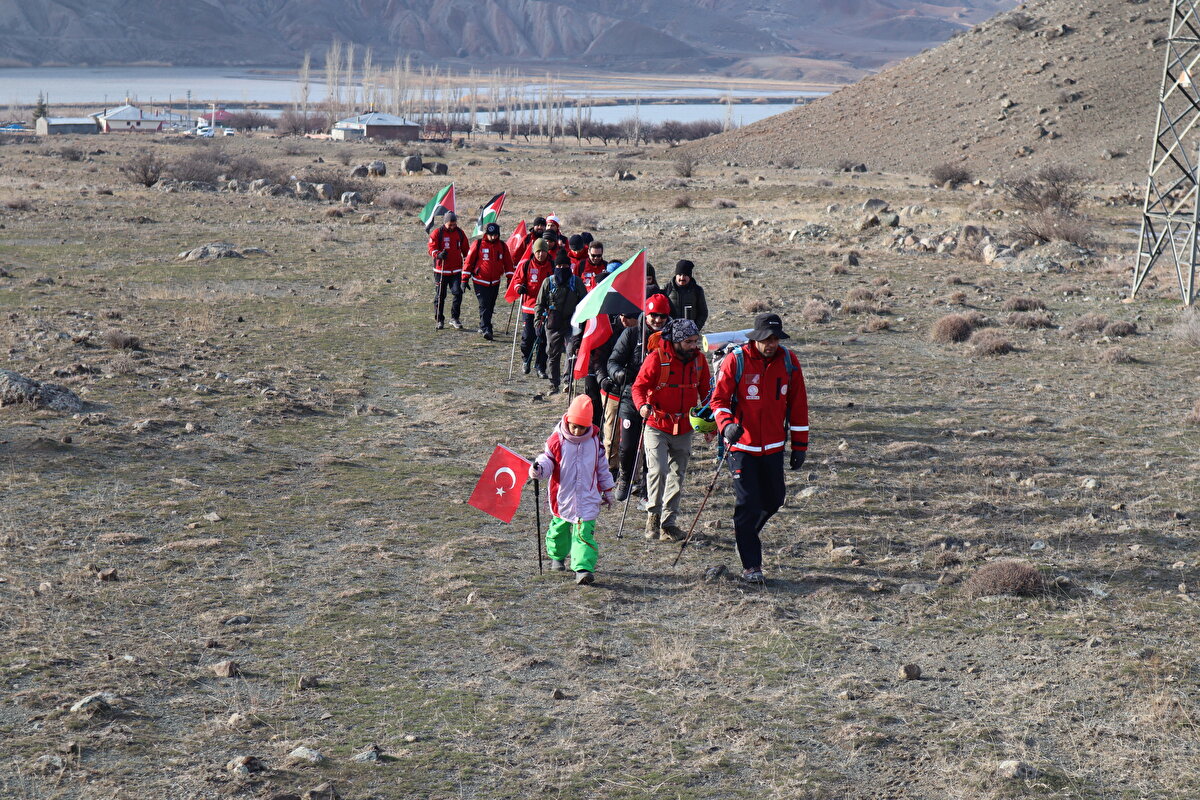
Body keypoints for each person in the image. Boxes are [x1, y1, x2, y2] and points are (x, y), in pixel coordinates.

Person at [710, 313, 809, 584]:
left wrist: (800, 446)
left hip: (775, 447)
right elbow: (718, 401)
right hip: (742, 447)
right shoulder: (737, 360)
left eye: (775, 338)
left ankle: (745, 535)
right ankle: (751, 566)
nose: (771, 344)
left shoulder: (789, 362)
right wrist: (727, 425)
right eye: (766, 339)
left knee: (775, 499)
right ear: (756, 338)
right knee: (748, 504)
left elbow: (798, 405)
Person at [631, 318, 711, 542]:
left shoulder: (699, 361)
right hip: (657, 424)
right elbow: (638, 387)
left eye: (696, 341)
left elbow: (706, 394)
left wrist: (709, 424)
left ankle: (669, 523)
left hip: (685, 427)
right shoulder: (656, 358)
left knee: (678, 475)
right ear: (676, 340)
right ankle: (653, 516)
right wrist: (642, 406)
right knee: (658, 470)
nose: (693, 346)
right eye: (688, 341)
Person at [530, 395, 615, 585]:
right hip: (563, 497)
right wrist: (539, 469)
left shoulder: (594, 442)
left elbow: (602, 467)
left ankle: (583, 568)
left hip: (588, 497)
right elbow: (547, 460)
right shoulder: (556, 440)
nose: (577, 431)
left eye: (582, 427)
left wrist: (608, 490)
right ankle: (557, 556)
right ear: (567, 420)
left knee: (584, 534)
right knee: (559, 529)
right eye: (574, 425)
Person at [606, 293, 672, 501]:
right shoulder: (632, 334)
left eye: (662, 316)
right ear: (646, 314)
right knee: (627, 445)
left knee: (652, 448)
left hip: (659, 400)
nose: (657, 320)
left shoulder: (672, 338)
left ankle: (646, 486)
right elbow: (613, 361)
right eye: (653, 315)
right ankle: (625, 477)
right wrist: (618, 374)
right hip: (630, 396)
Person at [535, 250, 586, 394]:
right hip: (553, 323)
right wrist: (538, 323)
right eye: (559, 266)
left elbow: (584, 303)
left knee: (571, 351)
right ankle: (553, 383)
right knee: (552, 353)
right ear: (555, 267)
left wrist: (583, 323)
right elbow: (539, 304)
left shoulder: (576, 282)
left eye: (565, 266)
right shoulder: (548, 282)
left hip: (572, 323)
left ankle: (567, 381)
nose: (562, 269)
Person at [593, 312, 637, 475]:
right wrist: (603, 379)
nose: (624, 320)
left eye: (628, 316)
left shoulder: (644, 335)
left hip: (635, 392)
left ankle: (633, 472)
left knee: (632, 435)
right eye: (622, 316)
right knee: (611, 433)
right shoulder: (608, 331)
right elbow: (598, 358)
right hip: (612, 389)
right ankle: (610, 468)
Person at [462, 222, 514, 340]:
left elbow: (508, 264)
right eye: (491, 235)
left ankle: (483, 324)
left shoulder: (502, 246)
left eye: (495, 235)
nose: (493, 237)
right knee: (484, 304)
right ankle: (487, 329)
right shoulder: (478, 244)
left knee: (490, 305)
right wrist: (464, 279)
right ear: (486, 234)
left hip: (495, 281)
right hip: (480, 280)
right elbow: (469, 262)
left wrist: (510, 279)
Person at [510, 238, 552, 377]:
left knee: (543, 338)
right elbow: (517, 280)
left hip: (546, 309)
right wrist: (519, 288)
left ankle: (540, 367)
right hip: (529, 307)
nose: (541, 254)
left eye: (543, 251)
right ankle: (525, 360)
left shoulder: (551, 265)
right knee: (528, 337)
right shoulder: (527, 265)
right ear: (534, 251)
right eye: (538, 251)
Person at [427, 212, 469, 330]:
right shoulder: (437, 233)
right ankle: (439, 319)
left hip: (456, 270)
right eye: (450, 225)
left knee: (458, 293)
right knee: (440, 295)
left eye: (454, 224)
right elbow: (431, 248)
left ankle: (455, 318)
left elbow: (466, 250)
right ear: (445, 223)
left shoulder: (460, 233)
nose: (452, 227)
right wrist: (438, 254)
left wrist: (468, 266)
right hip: (441, 270)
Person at [665, 259, 709, 330]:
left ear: (690, 276)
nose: (682, 278)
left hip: (690, 333)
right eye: (679, 275)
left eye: (685, 275)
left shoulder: (697, 290)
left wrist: (695, 328)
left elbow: (703, 313)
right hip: (671, 332)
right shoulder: (666, 289)